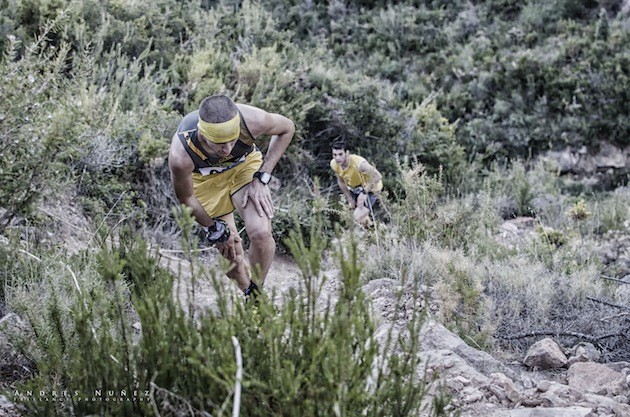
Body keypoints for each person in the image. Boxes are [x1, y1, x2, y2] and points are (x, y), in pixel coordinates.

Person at [169, 94, 295, 297]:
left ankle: (256, 292)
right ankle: (249, 292)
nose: (227, 149)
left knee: (261, 233)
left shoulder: (253, 120)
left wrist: (262, 177)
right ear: (203, 136)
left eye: (232, 140)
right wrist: (214, 229)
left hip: (243, 168)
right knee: (231, 253)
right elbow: (186, 198)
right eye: (219, 144)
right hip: (205, 183)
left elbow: (287, 128)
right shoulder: (181, 154)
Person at [330, 140, 383, 226]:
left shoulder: (359, 164)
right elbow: (341, 181)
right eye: (334, 155)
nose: (337, 158)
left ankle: (372, 230)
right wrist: (349, 198)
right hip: (356, 188)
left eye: (340, 154)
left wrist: (364, 192)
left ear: (347, 153)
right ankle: (371, 230)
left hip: (371, 188)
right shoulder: (334, 164)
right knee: (352, 210)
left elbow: (377, 176)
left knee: (358, 216)